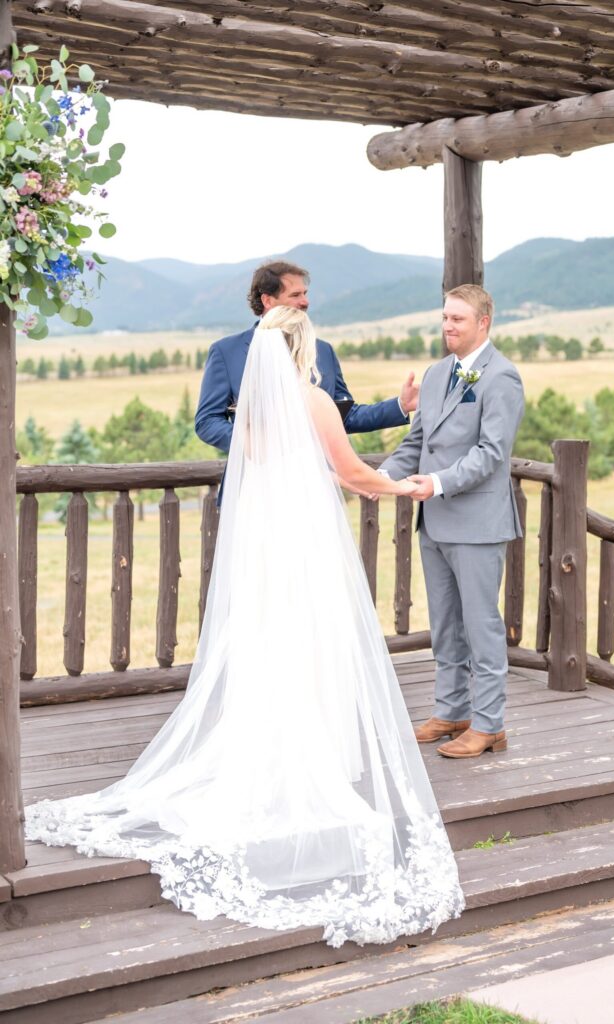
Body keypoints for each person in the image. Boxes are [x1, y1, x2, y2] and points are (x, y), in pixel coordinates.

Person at [25, 306, 464, 948]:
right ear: (300, 346)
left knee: (271, 647)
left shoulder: (256, 411)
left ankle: (274, 748)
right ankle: (308, 758)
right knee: (311, 645)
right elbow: (349, 472)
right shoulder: (311, 401)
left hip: (265, 552)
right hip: (305, 547)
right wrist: (409, 489)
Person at [380, 285, 525, 759]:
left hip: (478, 522)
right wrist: (379, 477)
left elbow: (491, 454)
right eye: (444, 317)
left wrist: (437, 483)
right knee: (444, 625)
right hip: (435, 523)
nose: (447, 326)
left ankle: (489, 725)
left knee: (481, 626)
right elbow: (416, 443)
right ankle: (451, 711)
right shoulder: (437, 372)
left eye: (457, 319)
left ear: (483, 323)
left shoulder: (502, 377)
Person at [194, 260, 419, 464]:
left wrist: (400, 405)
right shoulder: (226, 351)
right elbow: (207, 420)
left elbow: (344, 416)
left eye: (305, 293)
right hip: (254, 480)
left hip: (313, 482)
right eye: (295, 295)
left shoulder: (323, 351)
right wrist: (255, 444)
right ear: (267, 300)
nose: (305, 302)